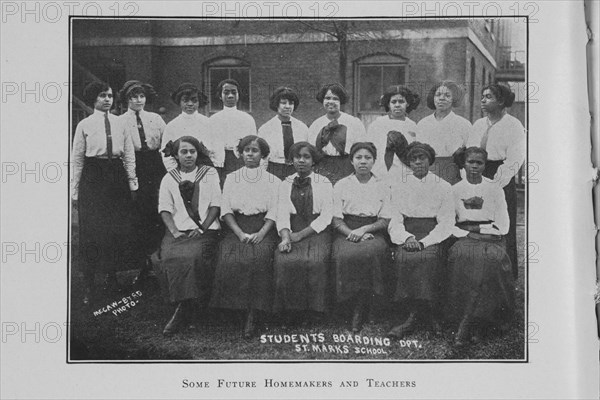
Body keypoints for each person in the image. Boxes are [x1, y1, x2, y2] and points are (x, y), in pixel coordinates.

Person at [71, 81, 138, 305]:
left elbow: (128, 153)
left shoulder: (121, 124)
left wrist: (132, 182)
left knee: (115, 227)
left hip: (115, 175)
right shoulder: (84, 125)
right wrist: (74, 190)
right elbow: (78, 158)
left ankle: (112, 276)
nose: (107, 99)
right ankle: (90, 283)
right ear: (93, 99)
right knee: (92, 228)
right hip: (94, 174)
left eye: (109, 95)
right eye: (102, 96)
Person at [210, 136, 280, 338]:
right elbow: (226, 209)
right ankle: (233, 310)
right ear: (240, 153)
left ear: (263, 155)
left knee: (258, 257)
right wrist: (239, 233)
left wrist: (261, 233)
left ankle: (253, 312)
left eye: (255, 150)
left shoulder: (273, 180)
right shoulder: (232, 178)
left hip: (264, 227)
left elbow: (275, 210)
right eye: (246, 150)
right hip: (237, 227)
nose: (250, 154)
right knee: (228, 255)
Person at [151, 136, 221, 336]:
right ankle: (185, 304)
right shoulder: (169, 178)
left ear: (198, 153)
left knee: (193, 257)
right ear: (176, 155)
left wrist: (202, 228)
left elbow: (216, 204)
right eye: (184, 152)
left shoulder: (209, 173)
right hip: (178, 230)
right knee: (170, 257)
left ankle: (184, 309)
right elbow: (164, 208)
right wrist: (173, 231)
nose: (188, 155)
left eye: (192, 151)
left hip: (205, 230)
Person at [447, 146, 513, 346]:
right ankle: (469, 320)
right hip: (465, 236)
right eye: (470, 162)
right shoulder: (455, 190)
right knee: (462, 256)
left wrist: (480, 230)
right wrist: (468, 232)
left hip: (491, 237)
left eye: (479, 162)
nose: (474, 166)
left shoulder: (494, 188)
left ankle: (480, 321)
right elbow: (449, 223)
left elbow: (503, 225)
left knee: (490, 261)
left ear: (485, 165)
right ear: (464, 164)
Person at [387, 142, 454, 339]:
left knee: (429, 259)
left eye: (422, 158)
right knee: (404, 258)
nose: (417, 162)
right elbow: (394, 217)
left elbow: (446, 221)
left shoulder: (443, 186)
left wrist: (425, 242)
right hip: (407, 232)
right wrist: (406, 237)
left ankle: (426, 313)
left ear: (430, 161)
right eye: (413, 159)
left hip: (433, 234)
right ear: (408, 162)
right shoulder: (399, 186)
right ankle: (412, 314)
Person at [331, 142, 392, 333]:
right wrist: (351, 233)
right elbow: (336, 219)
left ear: (374, 161)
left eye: (367, 158)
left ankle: (370, 305)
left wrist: (365, 230)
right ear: (351, 161)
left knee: (372, 253)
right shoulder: (342, 184)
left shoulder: (382, 185)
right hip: (346, 230)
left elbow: (385, 219)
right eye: (358, 157)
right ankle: (351, 307)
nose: (363, 162)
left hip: (373, 230)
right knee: (344, 255)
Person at [466, 84, 525, 278]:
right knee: (477, 219)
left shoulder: (513, 125)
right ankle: (478, 273)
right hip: (477, 174)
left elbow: (515, 157)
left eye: (489, 97)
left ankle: (504, 274)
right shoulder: (478, 125)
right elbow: (469, 153)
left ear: (501, 101)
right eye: (482, 96)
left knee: (501, 223)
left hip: (500, 177)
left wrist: (495, 184)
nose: (483, 100)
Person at [273, 142, 334, 319]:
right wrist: (285, 237)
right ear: (292, 160)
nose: (301, 160)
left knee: (315, 261)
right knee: (285, 261)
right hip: (292, 229)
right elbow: (282, 212)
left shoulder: (323, 182)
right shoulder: (285, 183)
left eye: (306, 157)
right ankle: (290, 312)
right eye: (297, 157)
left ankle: (313, 311)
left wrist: (301, 235)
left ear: (313, 161)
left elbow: (326, 216)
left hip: (316, 231)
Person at [117, 80, 167, 285]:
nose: (138, 100)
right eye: (133, 97)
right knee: (139, 214)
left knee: (159, 210)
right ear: (127, 99)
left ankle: (160, 259)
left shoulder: (155, 118)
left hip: (155, 165)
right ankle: (143, 263)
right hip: (135, 164)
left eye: (141, 96)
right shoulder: (120, 121)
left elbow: (167, 143)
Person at [307, 83, 366, 184]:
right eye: (327, 98)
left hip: (346, 166)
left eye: (335, 99)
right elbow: (311, 150)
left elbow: (361, 148)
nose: (331, 101)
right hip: (322, 167)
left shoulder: (353, 122)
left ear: (341, 101)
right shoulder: (316, 124)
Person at [416, 81, 472, 184]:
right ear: (433, 98)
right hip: (428, 173)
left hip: (452, 173)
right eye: (438, 95)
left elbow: (470, 155)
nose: (441, 98)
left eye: (447, 95)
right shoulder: (423, 124)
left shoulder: (464, 124)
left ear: (454, 99)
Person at [161, 83, 221, 172]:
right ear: (179, 102)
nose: (190, 104)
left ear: (199, 102)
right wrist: (175, 172)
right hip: (180, 169)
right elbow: (166, 154)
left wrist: (214, 170)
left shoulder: (208, 123)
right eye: (185, 100)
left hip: (206, 168)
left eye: (194, 100)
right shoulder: (172, 126)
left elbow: (217, 148)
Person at [366, 85, 420, 180]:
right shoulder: (377, 124)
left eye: (401, 101)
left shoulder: (413, 126)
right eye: (393, 102)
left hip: (405, 173)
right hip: (380, 173)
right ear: (388, 104)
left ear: (407, 103)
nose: (397, 105)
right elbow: (369, 150)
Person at [208, 79, 257, 178]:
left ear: (238, 95)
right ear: (220, 96)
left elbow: (253, 143)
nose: (230, 96)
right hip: (219, 161)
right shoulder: (213, 120)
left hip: (240, 161)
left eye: (234, 92)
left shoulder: (247, 119)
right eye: (226, 93)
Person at [258, 86, 309, 180]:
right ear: (276, 104)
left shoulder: (302, 128)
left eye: (291, 103)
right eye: (283, 103)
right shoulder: (265, 129)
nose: (287, 106)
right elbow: (262, 158)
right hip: (274, 169)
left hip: (296, 169)